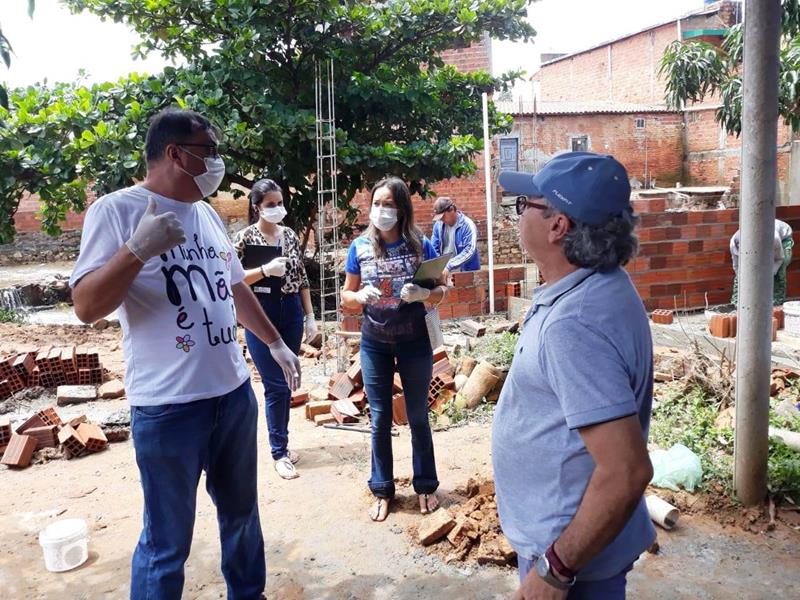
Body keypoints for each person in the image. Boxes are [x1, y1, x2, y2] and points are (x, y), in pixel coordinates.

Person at [69, 108, 301, 600]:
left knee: (241, 517)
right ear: (175, 153)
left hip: (233, 396)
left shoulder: (207, 214)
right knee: (166, 541)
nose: (217, 164)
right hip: (169, 407)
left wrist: (275, 343)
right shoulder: (116, 211)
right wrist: (136, 249)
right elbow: (87, 306)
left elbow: (235, 287)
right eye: (209, 152)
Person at [494, 152, 656, 600]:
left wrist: (555, 570)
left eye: (523, 204)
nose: (517, 214)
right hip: (577, 541)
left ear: (557, 225)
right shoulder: (597, 285)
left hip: (572, 556)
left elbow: (626, 470)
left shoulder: (576, 324)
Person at [341, 176, 448, 522]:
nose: (381, 211)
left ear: (402, 209)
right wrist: (357, 297)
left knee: (417, 416)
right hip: (375, 343)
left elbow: (442, 289)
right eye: (377, 204)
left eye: (389, 204)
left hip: (414, 341)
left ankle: (426, 486)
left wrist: (424, 295)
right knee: (380, 418)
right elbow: (346, 297)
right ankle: (382, 489)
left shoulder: (421, 245)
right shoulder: (359, 247)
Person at [233, 178, 317, 479]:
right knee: (275, 385)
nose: (277, 209)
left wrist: (310, 317)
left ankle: (283, 443)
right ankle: (279, 451)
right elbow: (232, 280)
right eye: (271, 205)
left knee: (288, 380)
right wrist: (265, 271)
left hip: (291, 310)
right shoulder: (244, 239)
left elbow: (303, 277)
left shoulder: (291, 236)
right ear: (257, 207)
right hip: (259, 313)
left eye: (280, 203)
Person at [730, 219, 793, 305]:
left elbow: (779, 259)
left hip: (783, 238)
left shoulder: (774, 238)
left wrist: (773, 271)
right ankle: (737, 303)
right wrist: (741, 278)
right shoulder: (733, 244)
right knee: (742, 275)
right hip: (761, 243)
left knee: (779, 272)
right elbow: (737, 266)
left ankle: (776, 302)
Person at [430, 196, 480, 272]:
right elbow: (434, 249)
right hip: (444, 272)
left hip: (466, 273)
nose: (441, 220)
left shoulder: (467, 225)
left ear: (452, 210)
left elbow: (470, 250)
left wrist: (449, 265)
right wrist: (438, 268)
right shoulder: (438, 225)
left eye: (443, 216)